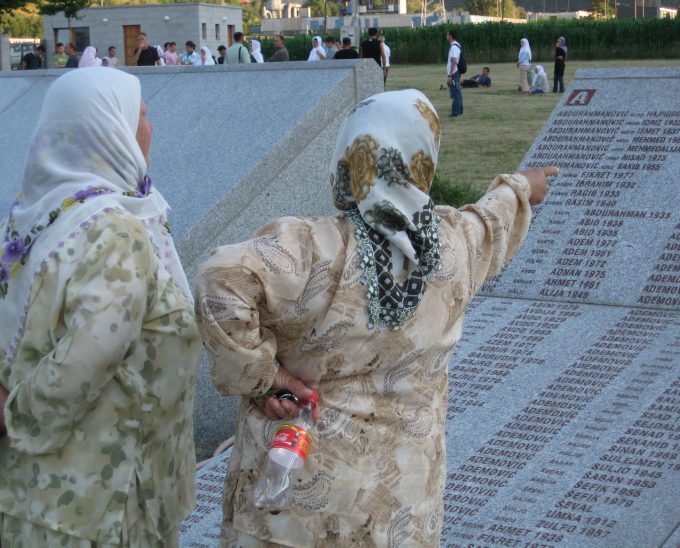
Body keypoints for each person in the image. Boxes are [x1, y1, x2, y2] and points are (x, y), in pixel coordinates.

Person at [195, 88, 555, 547]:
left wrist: (265, 377)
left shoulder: (310, 250)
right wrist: (521, 187)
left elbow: (220, 278)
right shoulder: (452, 247)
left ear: (349, 157)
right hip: (402, 497)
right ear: (422, 159)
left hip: (298, 491)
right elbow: (491, 222)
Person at [0, 67, 200, 547]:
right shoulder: (115, 232)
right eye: (143, 115)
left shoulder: (39, 214)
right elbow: (87, 359)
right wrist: (14, 417)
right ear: (110, 130)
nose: (150, 129)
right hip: (99, 507)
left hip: (38, 496)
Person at [446, 29, 463, 117]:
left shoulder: (454, 47)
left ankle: (455, 112)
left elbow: (453, 61)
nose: (447, 37)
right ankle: (459, 110)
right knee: (458, 92)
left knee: (455, 93)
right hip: (456, 73)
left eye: (447, 35)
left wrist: (450, 75)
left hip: (454, 73)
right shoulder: (457, 46)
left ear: (451, 36)